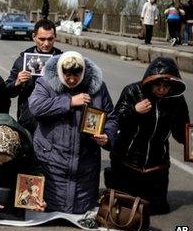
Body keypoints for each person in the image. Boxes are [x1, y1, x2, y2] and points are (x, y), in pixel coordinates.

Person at [29, 51, 117, 214]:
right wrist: (68, 101)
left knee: (80, 212)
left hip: (85, 162)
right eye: (67, 75)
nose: (71, 80)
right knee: (51, 210)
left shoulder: (98, 88)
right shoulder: (46, 83)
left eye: (76, 76)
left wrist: (107, 136)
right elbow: (36, 107)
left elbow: (111, 118)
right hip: (52, 159)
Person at [110, 57, 189, 215]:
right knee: (125, 210)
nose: (161, 89)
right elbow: (114, 122)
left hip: (157, 163)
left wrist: (189, 140)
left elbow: (182, 134)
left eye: (165, 85)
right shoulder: (133, 91)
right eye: (157, 84)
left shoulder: (177, 101)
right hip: (128, 160)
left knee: (157, 209)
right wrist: (134, 111)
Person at [5, 19, 63, 134]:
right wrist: (17, 82)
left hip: (55, 122)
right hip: (28, 122)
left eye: (50, 39)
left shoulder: (63, 60)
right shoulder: (22, 61)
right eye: (42, 39)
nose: (46, 43)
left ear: (55, 37)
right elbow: (7, 91)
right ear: (34, 37)